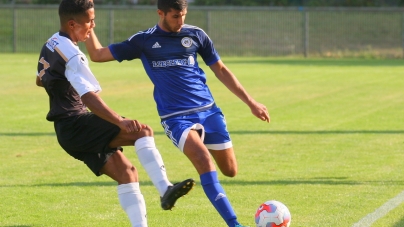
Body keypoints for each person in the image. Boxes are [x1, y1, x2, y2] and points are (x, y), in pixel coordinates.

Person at [84, 0, 270, 226]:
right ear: (160, 13)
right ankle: (234, 223)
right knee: (203, 160)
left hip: (209, 112)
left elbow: (220, 69)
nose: (180, 21)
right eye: (175, 16)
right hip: (176, 118)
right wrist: (89, 26)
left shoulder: (196, 35)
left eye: (183, 15)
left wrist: (251, 102)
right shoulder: (143, 40)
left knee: (230, 170)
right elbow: (98, 54)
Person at [35, 0, 195, 226]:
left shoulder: (51, 43)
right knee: (141, 131)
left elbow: (40, 80)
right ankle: (165, 189)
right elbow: (89, 97)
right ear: (72, 24)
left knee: (127, 173)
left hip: (66, 131)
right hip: (76, 124)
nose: (93, 25)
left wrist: (62, 86)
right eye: (90, 21)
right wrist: (119, 121)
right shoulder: (73, 55)